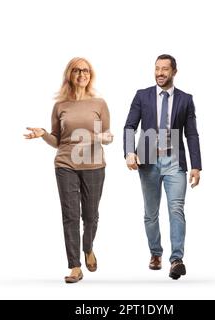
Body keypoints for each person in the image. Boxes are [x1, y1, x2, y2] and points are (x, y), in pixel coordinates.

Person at [24, 57, 113, 283]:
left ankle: (88, 248)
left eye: (85, 70)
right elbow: (57, 140)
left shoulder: (99, 104)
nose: (81, 74)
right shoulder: (60, 106)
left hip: (94, 165)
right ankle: (75, 266)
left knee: (90, 216)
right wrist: (43, 133)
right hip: (65, 164)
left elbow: (108, 135)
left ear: (90, 75)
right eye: (76, 70)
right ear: (69, 75)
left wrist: (103, 137)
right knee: (70, 216)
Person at [123, 54, 201, 280]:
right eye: (157, 68)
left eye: (165, 69)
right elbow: (130, 126)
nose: (160, 73)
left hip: (175, 160)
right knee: (151, 213)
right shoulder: (142, 96)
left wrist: (196, 165)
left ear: (174, 72)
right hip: (147, 159)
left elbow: (192, 134)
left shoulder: (185, 99)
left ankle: (176, 259)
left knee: (176, 208)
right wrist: (130, 152)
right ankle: (155, 253)